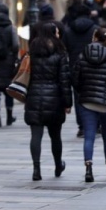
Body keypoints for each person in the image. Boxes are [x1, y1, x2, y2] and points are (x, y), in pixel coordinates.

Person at [72, 27, 106, 183]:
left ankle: (88, 168)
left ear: (94, 38)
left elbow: (75, 79)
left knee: (89, 136)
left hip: (87, 102)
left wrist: (83, 92)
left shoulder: (82, 55)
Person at [25, 22, 72, 181]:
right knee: (55, 136)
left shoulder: (31, 52)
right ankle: (58, 165)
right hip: (54, 98)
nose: (59, 35)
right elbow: (65, 80)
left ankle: (36, 169)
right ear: (52, 34)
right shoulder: (60, 53)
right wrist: (67, 103)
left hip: (34, 96)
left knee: (35, 135)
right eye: (57, 33)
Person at [63, 3, 99, 138]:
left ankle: (82, 126)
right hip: (93, 66)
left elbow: (64, 49)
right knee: (95, 95)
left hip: (75, 67)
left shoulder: (68, 31)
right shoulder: (95, 29)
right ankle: (96, 124)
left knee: (79, 98)